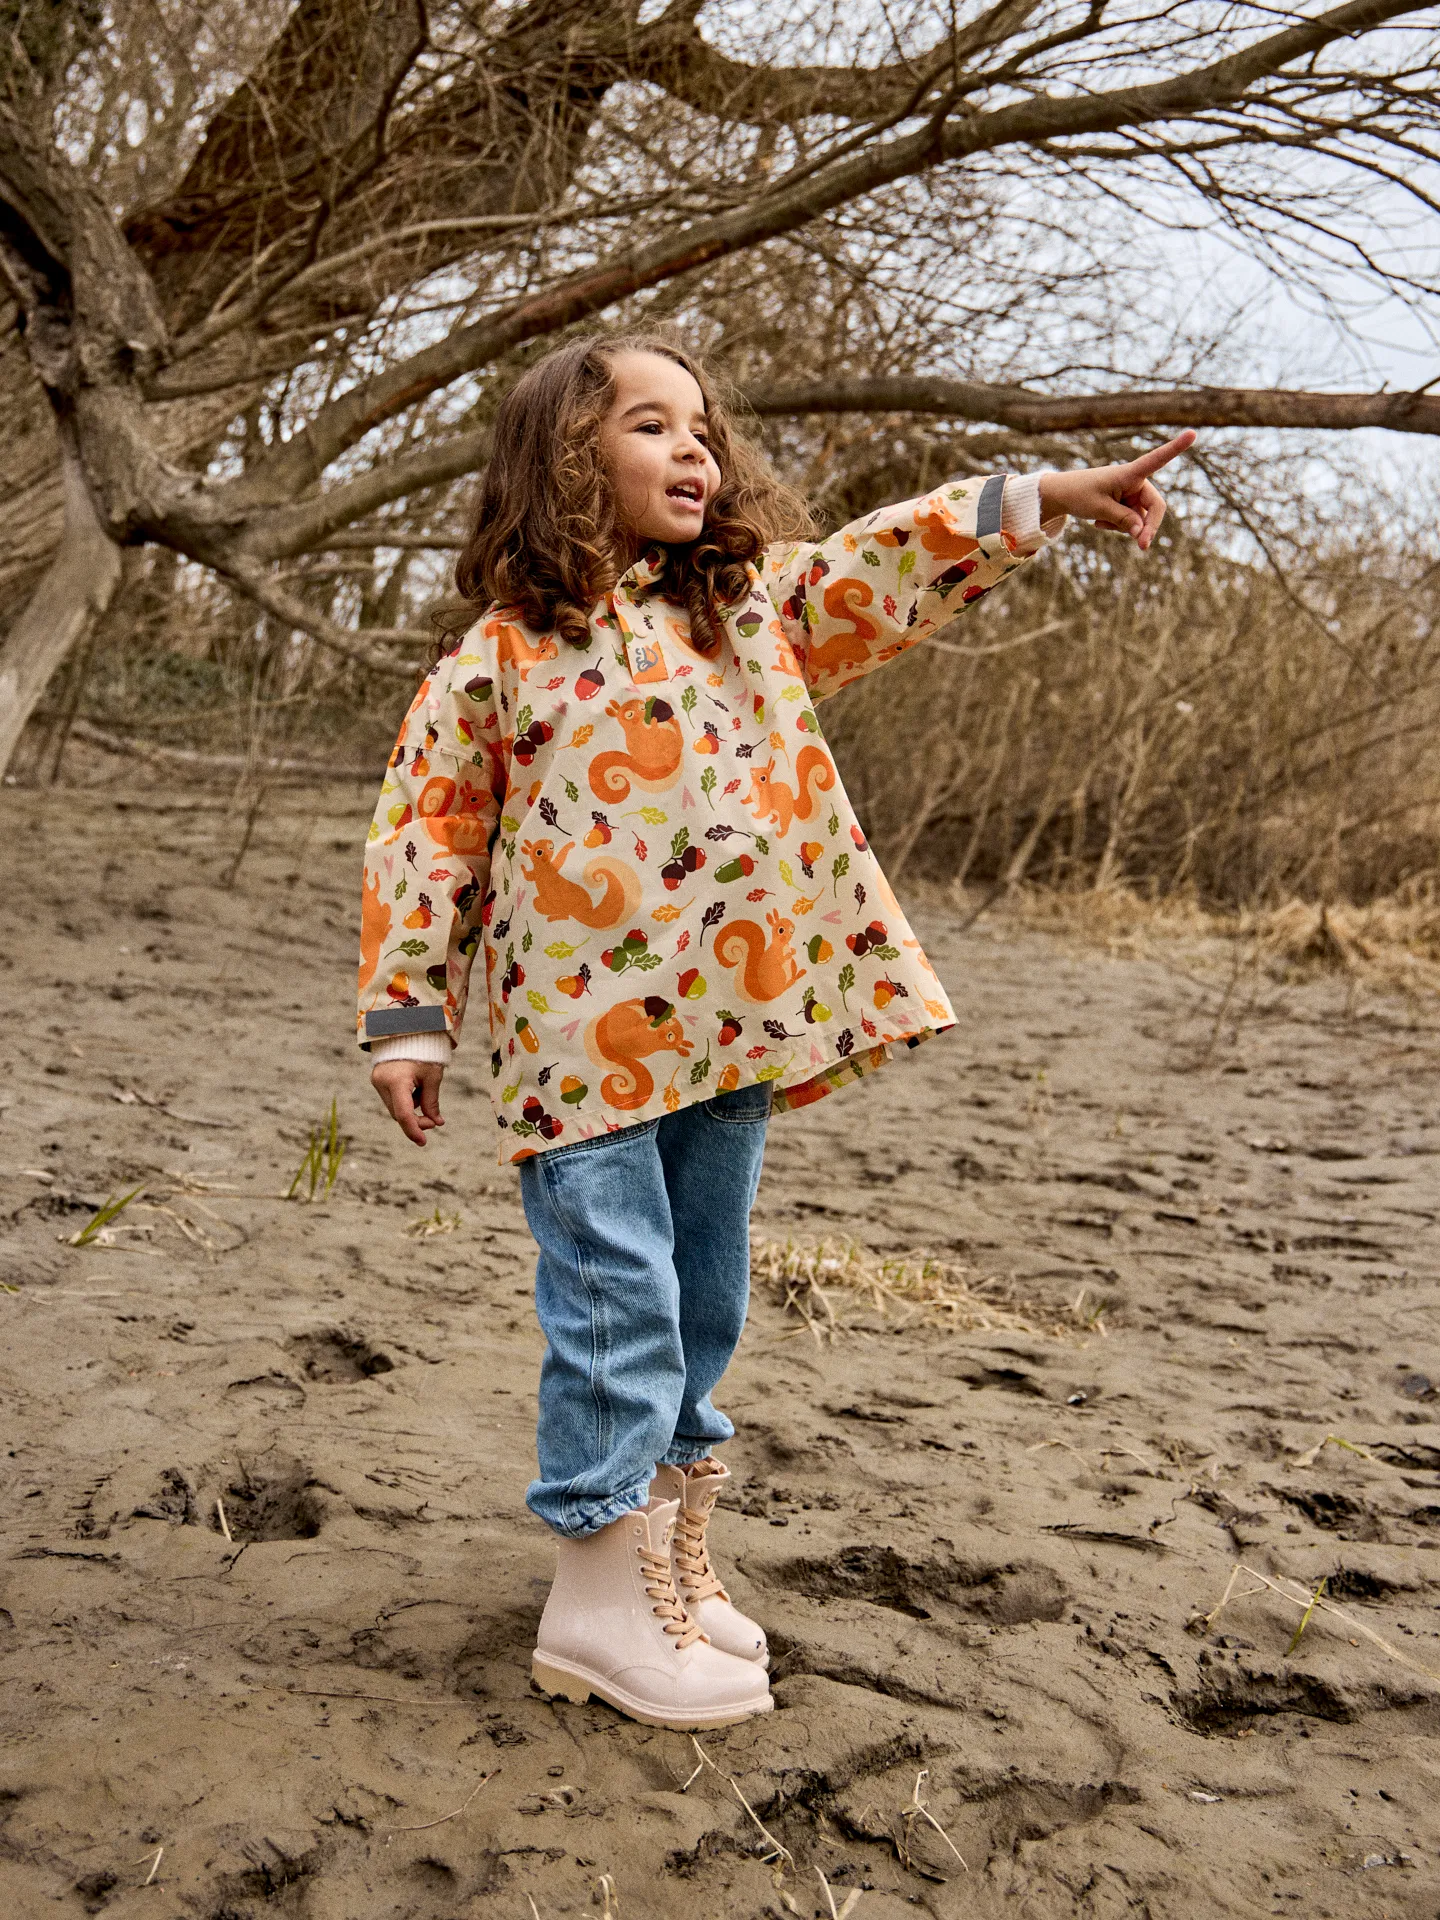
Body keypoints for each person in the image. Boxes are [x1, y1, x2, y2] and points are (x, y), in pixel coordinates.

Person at [356, 330, 1192, 1730]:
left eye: (701, 429)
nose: (695, 449)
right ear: (565, 460)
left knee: (701, 1301)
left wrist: (1038, 496)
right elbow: (426, 838)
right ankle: (594, 1586)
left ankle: (670, 1562)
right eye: (648, 426)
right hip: (585, 1052)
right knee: (617, 1307)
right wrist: (408, 1017)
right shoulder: (498, 663)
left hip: (732, 1030)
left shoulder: (743, 615)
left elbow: (876, 563)